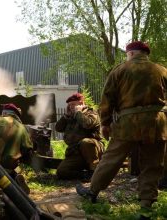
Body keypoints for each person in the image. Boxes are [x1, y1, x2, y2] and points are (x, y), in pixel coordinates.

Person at [76, 41, 167, 219]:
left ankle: (92, 192)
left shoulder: (120, 70)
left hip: (128, 124)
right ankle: (146, 206)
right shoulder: (162, 70)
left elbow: (107, 99)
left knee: (112, 159)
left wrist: (105, 123)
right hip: (157, 124)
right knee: (152, 164)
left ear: (131, 53)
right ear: (145, 54)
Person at [55, 92, 104, 181]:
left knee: (86, 142)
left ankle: (94, 171)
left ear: (81, 104)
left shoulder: (92, 113)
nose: (70, 107)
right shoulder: (71, 117)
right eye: (69, 105)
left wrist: (78, 112)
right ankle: (86, 175)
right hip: (76, 152)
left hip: (93, 151)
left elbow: (87, 124)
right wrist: (66, 116)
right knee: (62, 171)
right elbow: (58, 128)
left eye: (73, 104)